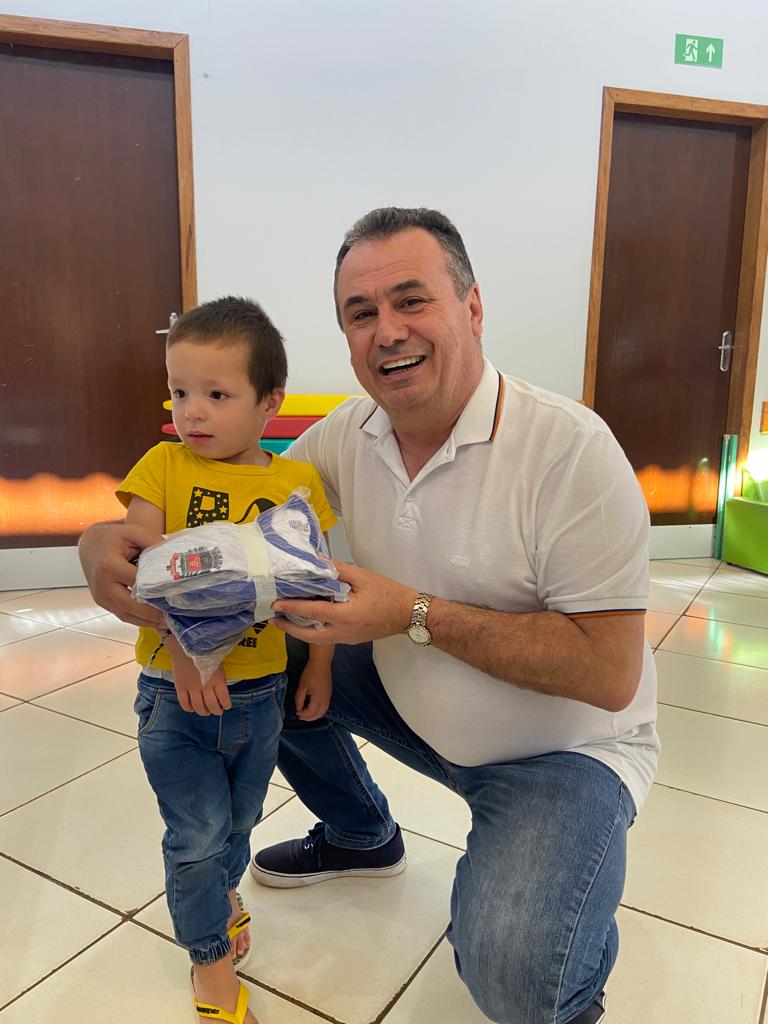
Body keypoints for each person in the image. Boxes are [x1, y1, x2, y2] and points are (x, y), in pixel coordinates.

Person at [80, 210, 657, 1024]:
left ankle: (562, 912)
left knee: (520, 978)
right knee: (270, 658)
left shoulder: (569, 450)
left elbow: (608, 671)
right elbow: (236, 511)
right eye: (361, 312)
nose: (387, 331)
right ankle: (361, 834)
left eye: (411, 300)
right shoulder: (347, 436)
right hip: (410, 697)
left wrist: (409, 614)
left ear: (473, 307)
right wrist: (99, 540)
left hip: (557, 752)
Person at [116, 296, 336, 1024]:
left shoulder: (295, 488)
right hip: (174, 692)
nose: (192, 412)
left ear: (270, 402)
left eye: (217, 394)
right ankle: (209, 960)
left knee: (238, 824)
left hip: (260, 692)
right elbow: (146, 568)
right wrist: (185, 653)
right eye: (179, 391)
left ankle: (225, 889)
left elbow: (316, 588)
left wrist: (318, 666)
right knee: (197, 834)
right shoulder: (162, 466)